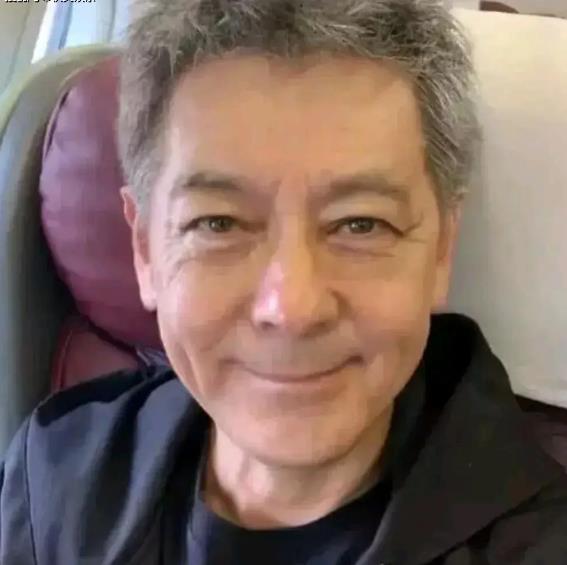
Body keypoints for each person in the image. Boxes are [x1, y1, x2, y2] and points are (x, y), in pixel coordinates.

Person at [1, 1, 566, 563]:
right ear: (145, 250)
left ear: (441, 250)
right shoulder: (53, 478)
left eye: (360, 224)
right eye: (218, 223)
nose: (292, 307)